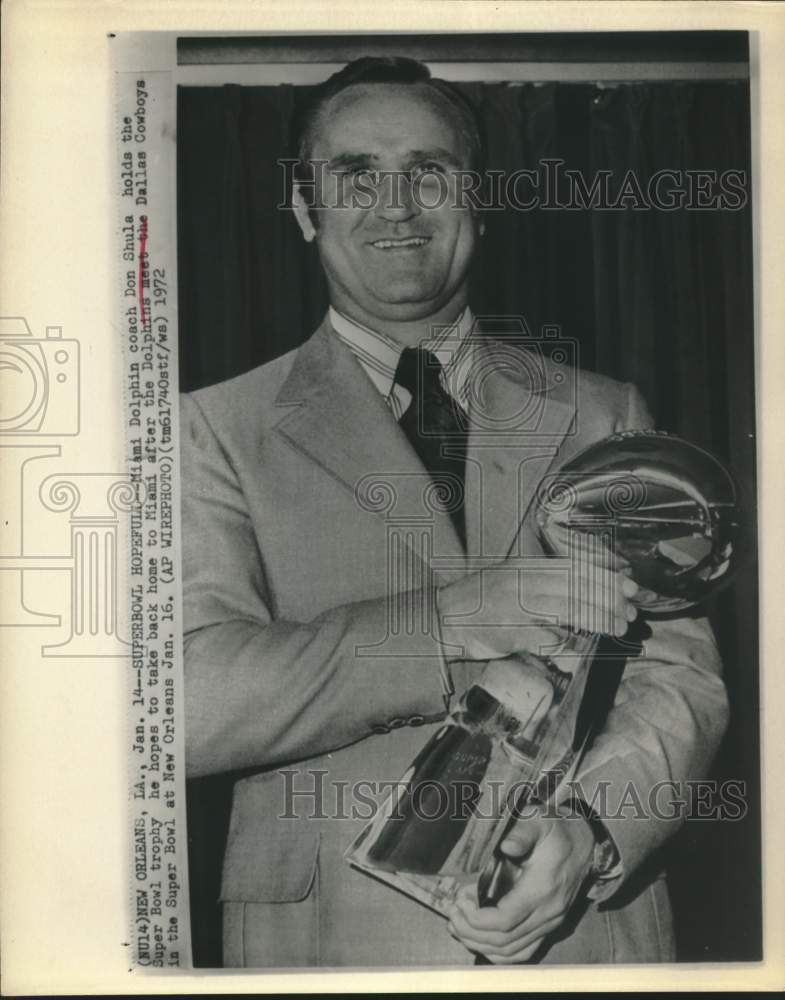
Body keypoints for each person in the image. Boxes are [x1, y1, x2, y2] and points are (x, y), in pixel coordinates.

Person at [179, 56, 728, 967]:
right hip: (329, 949)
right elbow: (186, 704)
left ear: (478, 199)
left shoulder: (603, 411)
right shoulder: (213, 428)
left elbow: (678, 676)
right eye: (356, 175)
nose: (396, 207)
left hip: (582, 936)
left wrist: (591, 832)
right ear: (304, 208)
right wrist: (442, 626)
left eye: (428, 171)